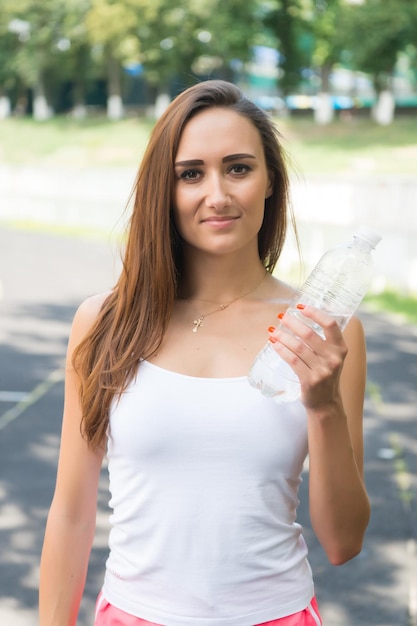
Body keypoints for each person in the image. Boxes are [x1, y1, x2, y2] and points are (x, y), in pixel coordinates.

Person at [39, 79, 370, 626]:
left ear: (269, 182)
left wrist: (323, 405)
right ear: (164, 191)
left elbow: (343, 542)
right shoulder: (105, 323)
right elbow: (72, 513)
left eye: (239, 168)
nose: (217, 194)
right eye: (190, 174)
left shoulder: (324, 333)